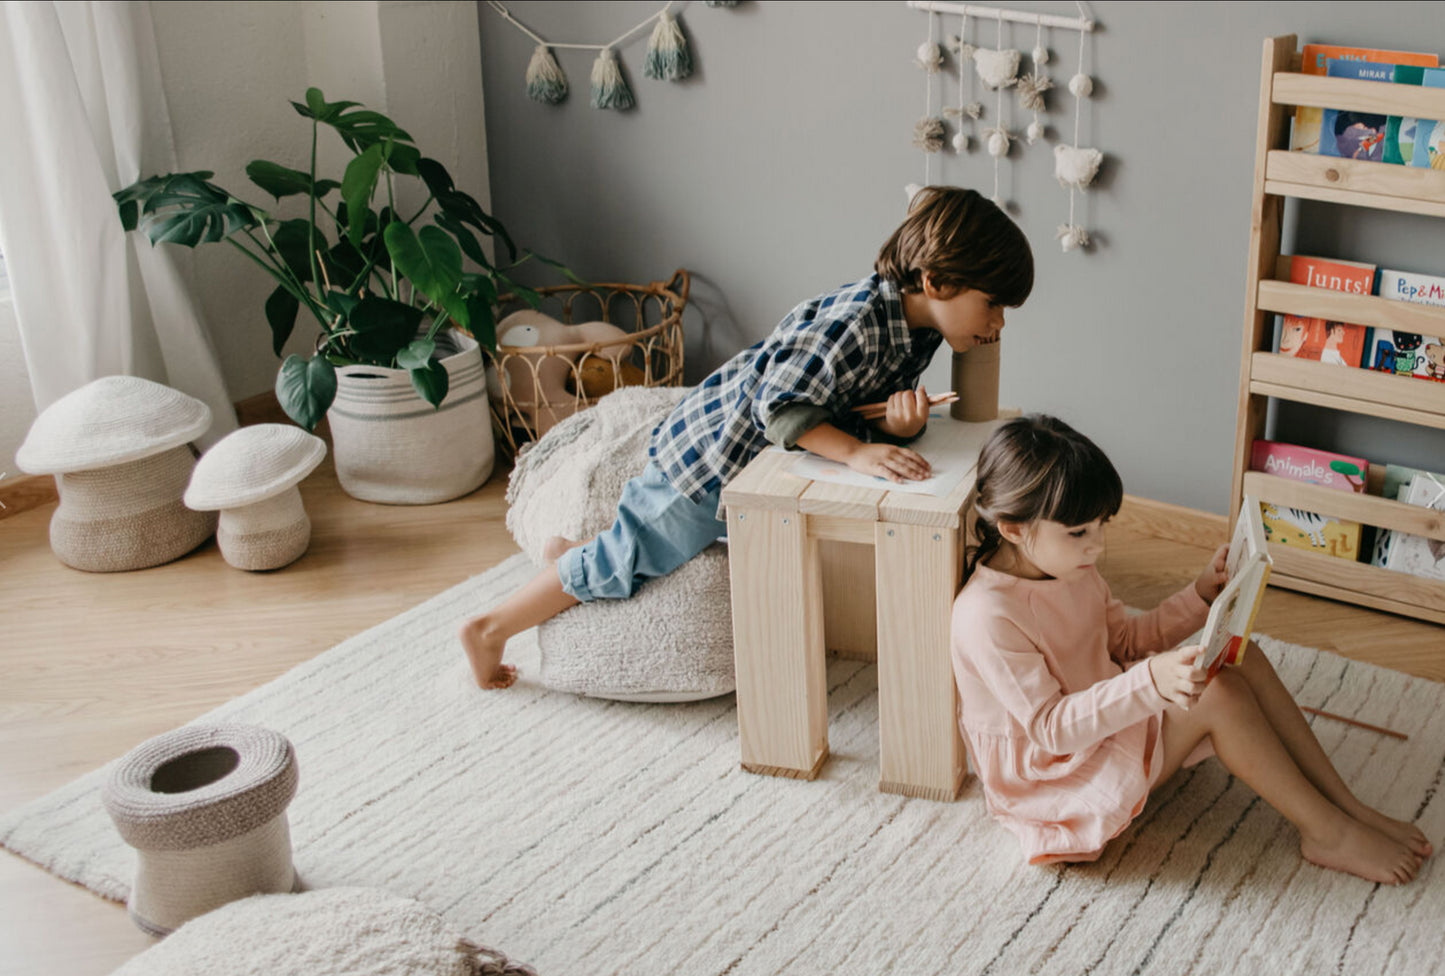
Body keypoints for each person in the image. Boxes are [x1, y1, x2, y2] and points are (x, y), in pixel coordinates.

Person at [461, 185, 1034, 689]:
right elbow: (780, 409)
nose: (999, 324)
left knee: (640, 542)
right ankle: (492, 629)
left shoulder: (920, 325)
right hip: (708, 465)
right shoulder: (854, 323)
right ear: (935, 281)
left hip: (760, 461)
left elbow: (849, 401)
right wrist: (857, 452)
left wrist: (894, 423)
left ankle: (564, 555)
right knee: (624, 562)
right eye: (993, 305)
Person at [950, 414, 1432, 883]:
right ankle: (1328, 832)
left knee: (1244, 656)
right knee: (1218, 695)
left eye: (1102, 525)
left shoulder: (1066, 565)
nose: (1097, 546)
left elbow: (1121, 641)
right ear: (1012, 528)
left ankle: (1346, 805)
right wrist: (1150, 683)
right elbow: (1051, 730)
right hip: (1056, 779)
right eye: (1079, 532)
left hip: (1103, 718)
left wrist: (1199, 596)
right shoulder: (986, 616)